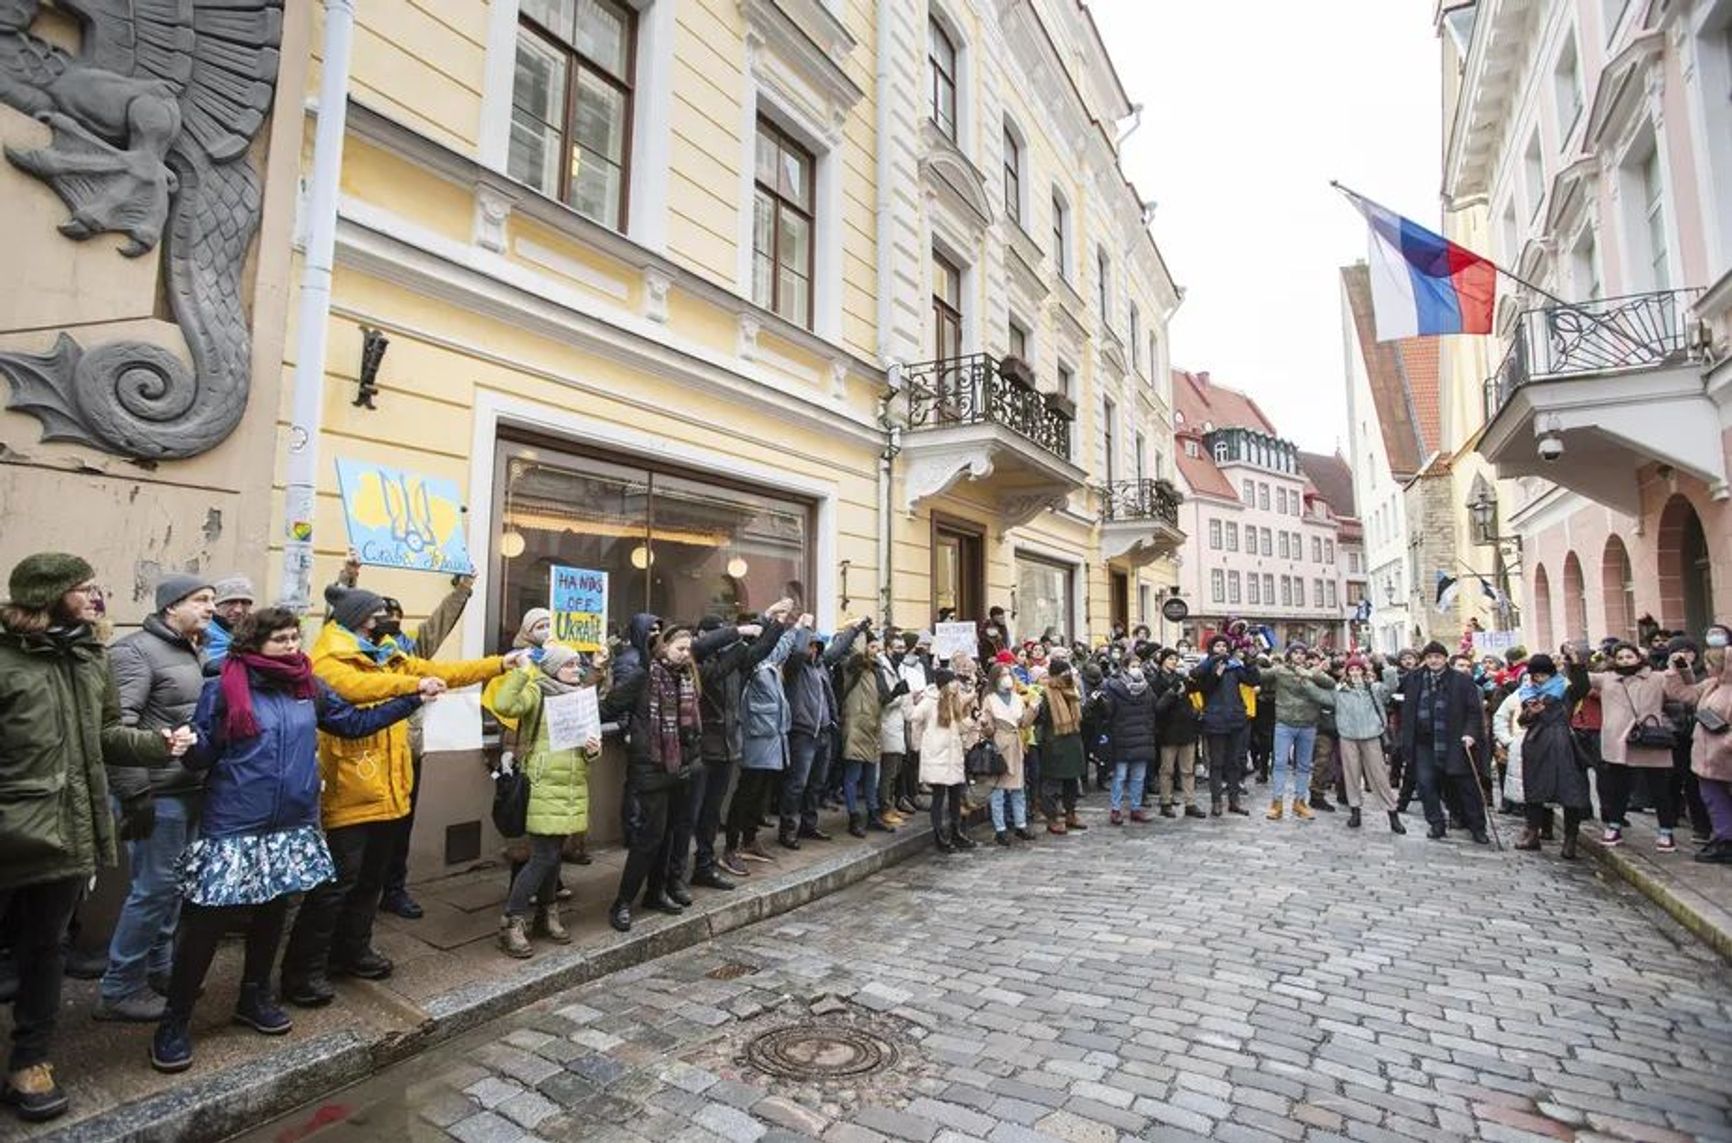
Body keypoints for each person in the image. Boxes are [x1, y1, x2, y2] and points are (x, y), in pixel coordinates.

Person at [151, 609, 425, 1071]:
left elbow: (351, 724)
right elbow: (202, 756)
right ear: (253, 644)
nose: (292, 646)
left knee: (272, 915)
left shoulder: (307, 686)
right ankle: (174, 1021)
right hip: (235, 821)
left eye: (296, 636)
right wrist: (182, 743)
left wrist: (411, 698)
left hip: (292, 822)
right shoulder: (224, 686)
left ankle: (254, 997)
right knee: (207, 925)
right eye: (280, 639)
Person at [0, 555, 187, 1122]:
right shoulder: (7, 660)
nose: (94, 596)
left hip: (65, 833)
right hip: (10, 829)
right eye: (82, 588)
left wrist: (157, 744)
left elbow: (105, 733)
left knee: (46, 949)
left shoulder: (90, 657)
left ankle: (30, 1062)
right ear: (50, 595)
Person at [280, 590, 516, 1007]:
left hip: (391, 787)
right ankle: (304, 971)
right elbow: (363, 688)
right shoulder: (330, 659)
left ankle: (354, 951)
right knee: (334, 886)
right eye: (377, 616)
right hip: (349, 791)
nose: (386, 621)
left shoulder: (388, 651)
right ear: (357, 620)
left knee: (371, 881)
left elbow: (442, 669)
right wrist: (415, 687)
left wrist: (498, 663)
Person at [98, 573, 216, 1023]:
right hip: (156, 793)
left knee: (173, 888)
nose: (210, 607)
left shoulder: (193, 650)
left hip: (188, 789)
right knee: (152, 891)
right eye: (200, 600)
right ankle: (119, 988)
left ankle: (160, 968)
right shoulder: (135, 653)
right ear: (171, 607)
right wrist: (133, 794)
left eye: (211, 600)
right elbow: (116, 730)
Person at [333, 556, 476, 922]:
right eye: (383, 616)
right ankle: (355, 900)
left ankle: (393, 890)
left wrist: (463, 589)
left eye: (395, 616)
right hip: (365, 756)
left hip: (407, 754)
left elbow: (439, 624)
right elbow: (335, 618)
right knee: (361, 839)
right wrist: (347, 579)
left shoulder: (410, 652)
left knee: (400, 830)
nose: (390, 623)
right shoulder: (352, 653)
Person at [489, 644, 604, 958]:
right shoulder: (537, 692)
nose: (576, 670)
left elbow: (591, 747)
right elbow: (504, 703)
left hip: (571, 785)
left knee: (554, 855)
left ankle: (546, 914)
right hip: (542, 785)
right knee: (541, 856)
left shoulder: (580, 697)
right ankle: (511, 922)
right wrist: (524, 671)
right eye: (569, 665)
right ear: (552, 668)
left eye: (577, 665)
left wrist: (593, 749)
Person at [611, 626, 703, 932]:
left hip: (680, 770)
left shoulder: (686, 678)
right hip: (651, 769)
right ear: (663, 647)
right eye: (680, 647)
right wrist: (634, 734)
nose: (685, 653)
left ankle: (656, 892)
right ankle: (622, 902)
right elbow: (610, 705)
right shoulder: (644, 676)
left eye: (689, 648)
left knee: (669, 836)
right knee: (648, 839)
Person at [691, 612, 779, 886]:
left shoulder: (732, 661)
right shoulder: (699, 663)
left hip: (728, 745)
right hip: (704, 748)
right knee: (694, 814)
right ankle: (679, 871)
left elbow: (759, 650)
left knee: (712, 813)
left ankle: (704, 866)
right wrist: (739, 633)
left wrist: (773, 622)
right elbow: (725, 660)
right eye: (720, 633)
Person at [1567, 641, 1677, 852]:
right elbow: (1581, 682)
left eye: (1629, 656)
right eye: (1621, 657)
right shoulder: (1607, 679)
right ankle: (1614, 826)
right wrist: (1575, 662)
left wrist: (1679, 665)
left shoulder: (1656, 677)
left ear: (1639, 658)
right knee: (1618, 789)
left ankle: (1666, 831)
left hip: (1649, 737)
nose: (1625, 661)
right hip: (1619, 741)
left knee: (1659, 789)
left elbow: (1678, 686)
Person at [1398, 641, 1489, 844]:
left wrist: (1470, 733)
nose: (1433, 661)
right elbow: (1407, 711)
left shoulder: (1462, 681)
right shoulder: (1414, 679)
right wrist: (1405, 739)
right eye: (1429, 657)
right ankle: (1436, 824)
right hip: (1424, 741)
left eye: (1437, 657)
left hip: (1454, 739)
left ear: (1445, 659)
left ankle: (1477, 827)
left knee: (1466, 785)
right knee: (1425, 784)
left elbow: (1474, 712)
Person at [733, 610, 803, 856]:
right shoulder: (751, 663)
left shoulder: (767, 662)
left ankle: (750, 839)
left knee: (759, 792)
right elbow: (775, 646)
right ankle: (737, 843)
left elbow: (781, 647)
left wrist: (794, 629)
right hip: (757, 739)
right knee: (748, 792)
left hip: (770, 739)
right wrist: (775, 618)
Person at [1511, 654, 1593, 859]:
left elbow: (1582, 686)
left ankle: (1570, 841)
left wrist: (1575, 663)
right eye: (1534, 675)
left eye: (1542, 675)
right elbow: (1523, 720)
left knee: (1570, 791)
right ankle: (1533, 834)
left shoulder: (1564, 689)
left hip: (1562, 743)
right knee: (1535, 790)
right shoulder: (1527, 692)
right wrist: (1531, 712)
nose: (1538, 679)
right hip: (1536, 744)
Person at [784, 623, 858, 846]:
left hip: (824, 732)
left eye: (816, 646)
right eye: (810, 645)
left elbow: (836, 650)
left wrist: (854, 630)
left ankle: (809, 824)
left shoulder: (821, 666)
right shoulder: (794, 667)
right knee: (797, 784)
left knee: (817, 783)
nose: (813, 650)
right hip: (803, 733)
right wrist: (805, 628)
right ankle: (788, 828)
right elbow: (797, 653)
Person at [1666, 623, 1732, 864]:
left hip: (1724, 757)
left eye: (1711, 664)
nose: (1707, 667)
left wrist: (1725, 743)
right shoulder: (1711, 685)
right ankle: (1725, 838)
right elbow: (1683, 694)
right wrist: (1676, 668)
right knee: (1714, 801)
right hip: (1707, 758)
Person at [1264, 645, 1336, 822]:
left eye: (1302, 653)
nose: (1299, 656)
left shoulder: (1313, 673)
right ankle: (1277, 802)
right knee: (1280, 763)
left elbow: (1331, 684)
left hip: (1308, 724)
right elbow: (1260, 675)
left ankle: (1300, 802)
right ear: (1289, 655)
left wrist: (1313, 673)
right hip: (1285, 723)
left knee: (1304, 766)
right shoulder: (1280, 671)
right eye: (1295, 653)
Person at [1332, 658, 1402, 833]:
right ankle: (1355, 810)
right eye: (1351, 670)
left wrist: (1386, 666)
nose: (1355, 673)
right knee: (1351, 774)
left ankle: (1392, 813)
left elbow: (1392, 686)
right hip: (1348, 736)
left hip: (1371, 735)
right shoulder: (1340, 691)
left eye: (1358, 669)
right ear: (1347, 672)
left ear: (1363, 671)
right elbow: (1322, 695)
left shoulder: (1373, 688)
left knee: (1379, 774)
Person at [840, 628, 897, 836]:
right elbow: (855, 655)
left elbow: (882, 698)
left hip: (872, 726)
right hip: (856, 726)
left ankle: (873, 814)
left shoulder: (876, 670)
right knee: (853, 775)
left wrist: (896, 691)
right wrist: (859, 630)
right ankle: (854, 817)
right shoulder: (852, 667)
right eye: (871, 647)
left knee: (871, 775)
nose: (875, 651)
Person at [1193, 636, 1259, 816]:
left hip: (1235, 719)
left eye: (1224, 646)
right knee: (1217, 763)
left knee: (1234, 762)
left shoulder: (1234, 666)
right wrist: (1215, 672)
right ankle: (1216, 802)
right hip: (1215, 720)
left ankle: (1234, 800)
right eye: (1217, 646)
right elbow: (1201, 685)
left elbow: (1252, 680)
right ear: (1211, 648)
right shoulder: (1206, 666)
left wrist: (1250, 662)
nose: (1221, 649)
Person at [910, 668, 974, 852]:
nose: (956, 685)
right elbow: (915, 719)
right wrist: (919, 745)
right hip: (937, 755)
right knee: (939, 797)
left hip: (953, 755)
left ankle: (956, 831)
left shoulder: (953, 701)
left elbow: (958, 724)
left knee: (955, 795)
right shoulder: (930, 702)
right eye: (952, 681)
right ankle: (940, 835)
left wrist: (971, 724)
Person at [983, 663, 1039, 845]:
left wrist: (1033, 709)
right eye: (1002, 675)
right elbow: (988, 729)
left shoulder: (1016, 698)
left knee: (1018, 789)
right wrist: (985, 725)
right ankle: (1000, 829)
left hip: (1016, 745)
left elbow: (1023, 723)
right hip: (1000, 746)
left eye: (1008, 674)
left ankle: (1020, 824)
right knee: (998, 790)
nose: (1006, 678)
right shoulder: (990, 699)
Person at [1099, 660, 1158, 825]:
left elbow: (1153, 708)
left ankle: (1136, 808)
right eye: (1133, 666)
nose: (1136, 669)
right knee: (1120, 776)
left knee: (1139, 776)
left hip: (1142, 736)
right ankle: (1116, 809)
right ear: (1125, 668)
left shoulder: (1147, 688)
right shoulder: (1114, 687)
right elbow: (1109, 713)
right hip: (1122, 737)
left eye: (1138, 666)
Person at [1036, 654, 1088, 834]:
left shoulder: (1072, 690)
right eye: (1063, 672)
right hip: (1054, 742)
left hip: (1073, 739)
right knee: (1051, 784)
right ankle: (1052, 817)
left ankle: (1071, 813)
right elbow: (1040, 719)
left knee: (1072, 781)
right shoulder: (1045, 694)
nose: (1067, 675)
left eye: (1068, 671)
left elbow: (1081, 714)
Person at [1153, 649, 1205, 818]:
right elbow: (1158, 708)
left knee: (1187, 769)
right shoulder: (1156, 681)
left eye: (1176, 659)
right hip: (1167, 731)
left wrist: (1194, 714)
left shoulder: (1182, 679)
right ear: (1162, 661)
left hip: (1187, 729)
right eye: (1170, 659)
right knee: (1167, 769)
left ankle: (1190, 802)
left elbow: (1195, 693)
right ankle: (1165, 802)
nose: (1173, 662)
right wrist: (1172, 694)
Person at [201, 575, 256, 673]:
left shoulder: (259, 632)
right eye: (230, 602)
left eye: (244, 603)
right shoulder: (199, 633)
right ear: (215, 606)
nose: (238, 610)